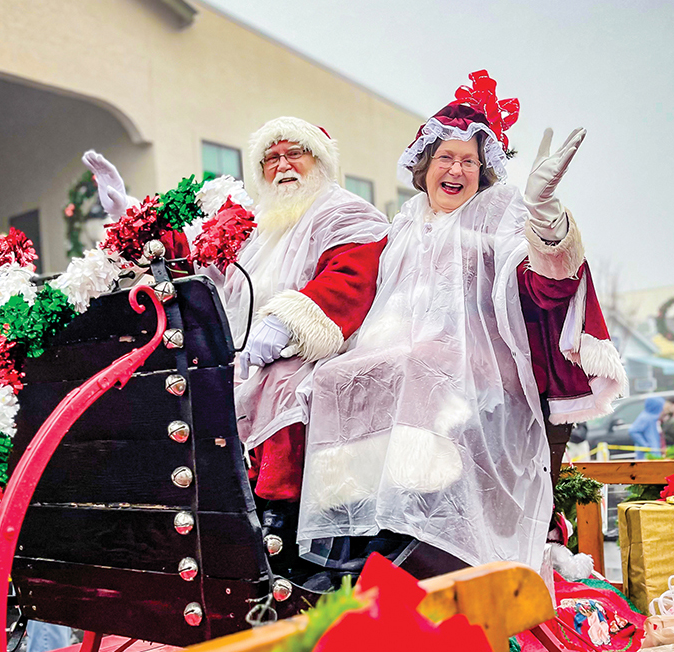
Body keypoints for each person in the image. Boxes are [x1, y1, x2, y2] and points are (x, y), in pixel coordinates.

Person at [299, 71, 626, 574]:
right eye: (446, 158)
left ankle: (426, 535)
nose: (456, 170)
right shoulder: (406, 221)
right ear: (425, 165)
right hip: (403, 357)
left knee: (420, 364)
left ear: (484, 171)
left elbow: (544, 281)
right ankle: (358, 535)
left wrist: (543, 214)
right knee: (330, 378)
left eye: (469, 161)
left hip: (477, 367)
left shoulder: (495, 212)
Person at [85, 118, 390, 567]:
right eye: (271, 158)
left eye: (294, 154)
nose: (282, 166)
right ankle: (221, 511)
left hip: (322, 353)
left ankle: (278, 518)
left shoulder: (346, 213)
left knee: (282, 384)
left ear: (320, 161)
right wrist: (128, 212)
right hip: (245, 356)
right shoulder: (259, 227)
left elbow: (352, 278)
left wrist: (288, 321)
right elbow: (194, 253)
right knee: (199, 388)